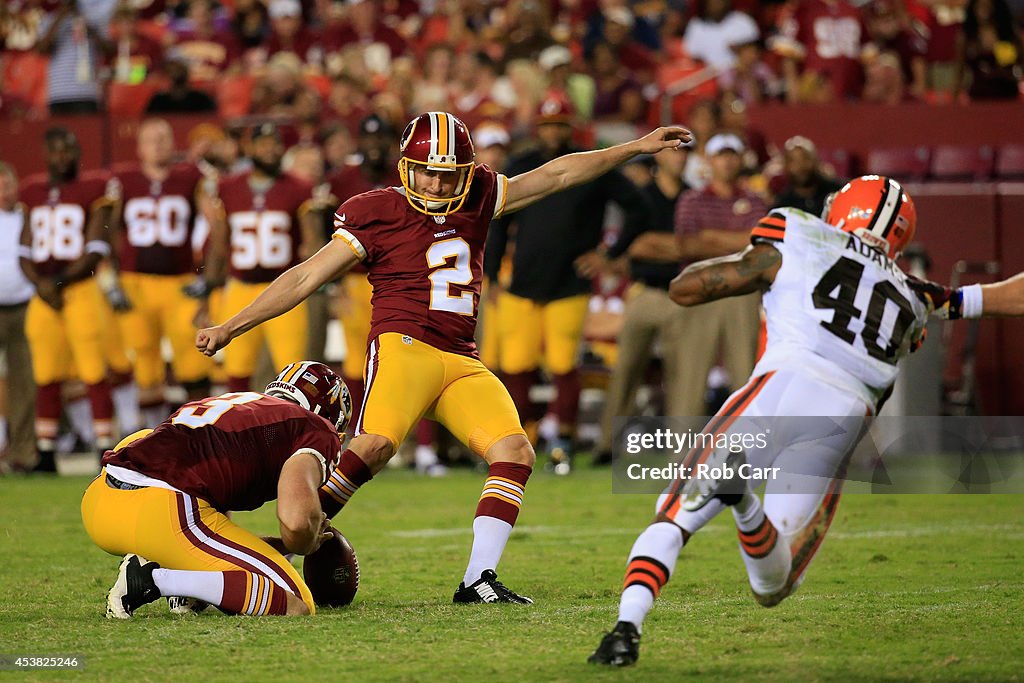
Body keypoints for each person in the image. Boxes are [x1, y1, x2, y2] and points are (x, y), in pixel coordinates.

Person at [197, 111, 691, 603]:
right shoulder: (377, 211)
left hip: (460, 355)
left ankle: (477, 579)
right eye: (427, 170)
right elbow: (305, 276)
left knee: (515, 452)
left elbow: (558, 173)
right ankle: (255, 553)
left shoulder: (478, 194)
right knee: (373, 448)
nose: (436, 182)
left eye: (447, 172)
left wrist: (634, 146)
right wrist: (230, 326)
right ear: (406, 168)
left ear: (466, 171)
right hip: (404, 344)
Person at [587, 176, 1024, 666]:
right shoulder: (916, 298)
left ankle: (625, 630)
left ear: (842, 211)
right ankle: (745, 504)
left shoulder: (798, 232)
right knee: (772, 585)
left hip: (771, 393)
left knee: (672, 520)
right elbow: (999, 297)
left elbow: (686, 291)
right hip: (832, 426)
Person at [81, 361, 352, 619]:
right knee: (295, 601)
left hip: (101, 503)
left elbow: (212, 510)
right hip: (162, 505)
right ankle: (157, 580)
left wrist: (272, 547)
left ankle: (188, 586)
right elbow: (295, 524)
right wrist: (306, 541)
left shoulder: (238, 406)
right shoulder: (315, 427)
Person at [487, 99, 651, 473]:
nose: (553, 132)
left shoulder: (589, 165)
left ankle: (561, 445)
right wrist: (493, 275)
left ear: (570, 127)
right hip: (522, 282)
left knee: (563, 367)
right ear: (537, 127)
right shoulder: (521, 165)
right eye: (547, 124)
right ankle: (515, 446)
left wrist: (609, 253)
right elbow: (497, 220)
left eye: (559, 124)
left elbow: (638, 207)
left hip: (569, 284)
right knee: (515, 368)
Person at [19, 128, 118, 472]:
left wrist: (56, 283)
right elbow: (24, 247)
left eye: (68, 151)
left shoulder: (94, 188)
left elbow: (95, 248)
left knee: (93, 370)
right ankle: (45, 452)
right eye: (56, 151)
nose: (62, 158)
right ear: (46, 155)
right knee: (46, 372)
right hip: (43, 292)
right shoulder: (32, 191)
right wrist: (41, 284)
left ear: (78, 153)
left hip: (79, 290)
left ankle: (104, 448)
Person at [198, 123, 322, 393]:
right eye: (263, 143)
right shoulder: (229, 187)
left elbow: (312, 241)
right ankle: (237, 430)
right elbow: (220, 242)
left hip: (284, 290)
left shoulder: (299, 187)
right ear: (250, 148)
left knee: (292, 371)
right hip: (240, 287)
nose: (270, 149)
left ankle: (290, 432)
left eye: (274, 142)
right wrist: (208, 289)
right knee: (236, 369)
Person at [111, 119, 212, 426]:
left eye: (165, 137)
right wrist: (108, 278)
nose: (159, 144)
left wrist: (205, 275)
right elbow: (106, 231)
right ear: (139, 147)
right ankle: (149, 434)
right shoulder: (123, 180)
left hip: (179, 281)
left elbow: (215, 224)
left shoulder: (191, 177)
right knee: (144, 362)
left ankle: (201, 429)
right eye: (152, 139)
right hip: (135, 281)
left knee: (193, 356)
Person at [0, 162, 35, 472]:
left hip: (24, 305)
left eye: (8, 183)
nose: (5, 191)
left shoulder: (28, 217)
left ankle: (23, 452)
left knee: (24, 382)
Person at [772, 136, 843, 218]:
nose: (800, 166)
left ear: (816, 160)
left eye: (805, 159)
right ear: (785, 166)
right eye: (793, 161)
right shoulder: (781, 207)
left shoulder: (837, 192)